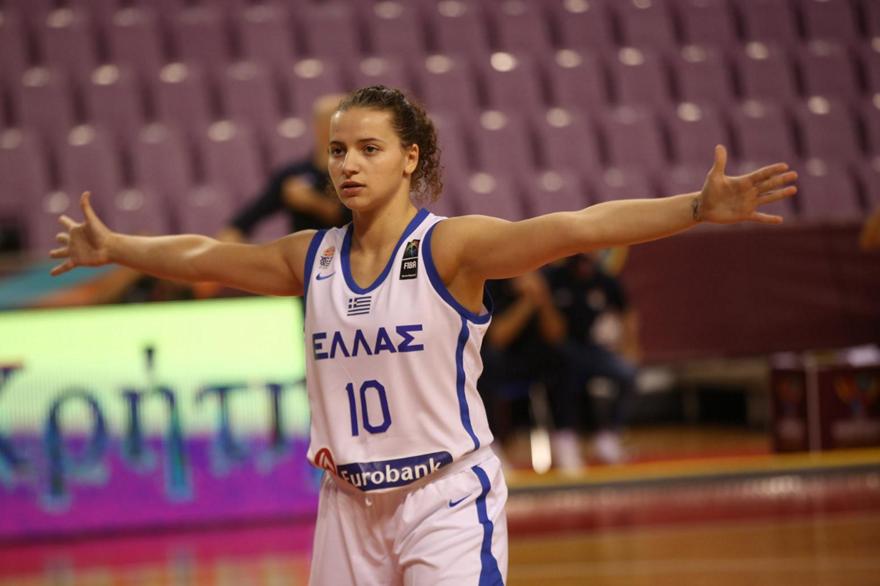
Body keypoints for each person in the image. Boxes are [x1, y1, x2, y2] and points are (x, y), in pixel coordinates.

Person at [48, 85, 798, 584]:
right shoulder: (310, 257)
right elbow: (203, 256)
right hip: (345, 504)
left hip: (443, 497)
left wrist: (694, 209)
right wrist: (115, 247)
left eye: (369, 149)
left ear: (410, 158)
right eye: (338, 150)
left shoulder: (450, 248)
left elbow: (577, 227)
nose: (348, 164)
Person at [479, 272, 584, 470]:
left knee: (565, 358)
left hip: (538, 361)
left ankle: (564, 439)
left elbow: (556, 334)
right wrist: (527, 302)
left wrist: (542, 298)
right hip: (504, 361)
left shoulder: (547, 280)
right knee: (485, 365)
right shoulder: (493, 282)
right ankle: (492, 448)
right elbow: (498, 337)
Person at [217, 93, 351, 244]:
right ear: (319, 127)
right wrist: (230, 239)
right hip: (304, 254)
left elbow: (358, 219)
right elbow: (245, 220)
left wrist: (313, 203)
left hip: (350, 252)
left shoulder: (357, 172)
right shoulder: (293, 174)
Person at [547, 252, 641, 464]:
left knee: (627, 372)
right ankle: (566, 437)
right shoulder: (555, 278)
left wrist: (630, 346)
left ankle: (608, 435)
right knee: (563, 371)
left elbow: (627, 311)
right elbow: (552, 332)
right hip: (560, 351)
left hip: (593, 349)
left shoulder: (604, 279)